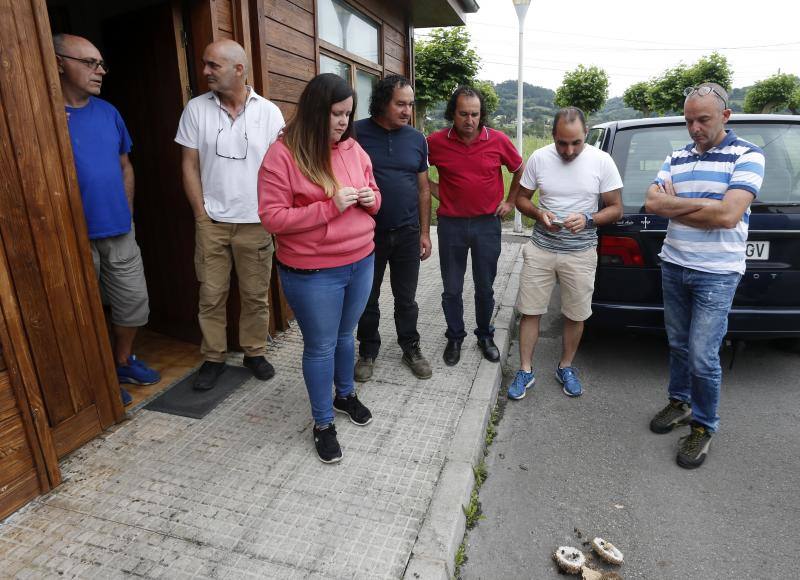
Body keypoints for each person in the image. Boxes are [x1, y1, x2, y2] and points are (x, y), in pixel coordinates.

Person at [258, 73, 381, 463]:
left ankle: (344, 395)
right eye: (336, 114)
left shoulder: (354, 150)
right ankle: (323, 422)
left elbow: (376, 196)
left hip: (361, 260)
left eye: (348, 114)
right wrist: (330, 206)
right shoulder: (283, 154)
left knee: (347, 336)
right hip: (314, 272)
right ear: (315, 112)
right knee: (321, 346)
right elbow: (272, 218)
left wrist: (368, 198)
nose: (344, 122)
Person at [645, 83, 764, 469]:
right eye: (689, 120)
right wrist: (704, 205)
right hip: (675, 264)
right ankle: (679, 403)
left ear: (725, 116)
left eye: (703, 119)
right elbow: (652, 202)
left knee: (702, 354)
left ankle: (703, 425)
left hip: (717, 273)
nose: (694, 128)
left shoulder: (748, 155)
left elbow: (728, 216)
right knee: (678, 344)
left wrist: (674, 204)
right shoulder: (676, 155)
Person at [54, 33, 160, 406]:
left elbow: (124, 165)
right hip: (72, 238)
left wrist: (127, 211)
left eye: (101, 64)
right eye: (89, 63)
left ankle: (122, 360)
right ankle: (98, 376)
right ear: (59, 62)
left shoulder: (109, 112)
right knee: (82, 314)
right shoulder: (43, 114)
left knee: (134, 302)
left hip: (119, 230)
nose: (100, 71)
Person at [175, 40, 284, 391]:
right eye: (205, 65)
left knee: (254, 295)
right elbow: (188, 165)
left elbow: (280, 169)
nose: (205, 71)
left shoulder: (269, 112)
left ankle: (254, 352)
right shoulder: (196, 109)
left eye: (213, 66)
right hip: (212, 223)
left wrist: (273, 215)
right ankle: (213, 357)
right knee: (211, 294)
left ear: (239, 69)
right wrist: (200, 215)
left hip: (256, 222)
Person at [509, 107, 623, 401]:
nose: (569, 150)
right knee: (530, 311)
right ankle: (525, 370)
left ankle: (566, 366)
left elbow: (615, 208)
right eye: (562, 143)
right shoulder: (539, 158)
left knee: (575, 314)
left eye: (575, 142)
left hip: (581, 252)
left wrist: (588, 219)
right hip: (541, 248)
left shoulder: (602, 161)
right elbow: (521, 199)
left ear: (586, 134)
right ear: (553, 136)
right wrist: (538, 212)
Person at [427, 86, 523, 366]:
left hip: (486, 225)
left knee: (485, 287)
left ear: (482, 115)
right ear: (452, 114)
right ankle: (455, 336)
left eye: (475, 114)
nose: (469, 120)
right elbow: (418, 173)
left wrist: (510, 202)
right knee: (452, 289)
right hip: (451, 226)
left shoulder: (498, 140)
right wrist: (438, 191)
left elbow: (519, 169)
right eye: (463, 114)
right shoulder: (435, 142)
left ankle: (485, 336)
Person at [353, 75, 432, 382]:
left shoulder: (416, 139)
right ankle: (368, 351)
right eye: (400, 104)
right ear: (383, 102)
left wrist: (425, 233)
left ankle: (410, 347)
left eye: (410, 105)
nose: (407, 111)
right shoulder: (356, 133)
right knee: (367, 298)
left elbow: (423, 189)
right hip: (367, 235)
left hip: (408, 232)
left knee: (406, 298)